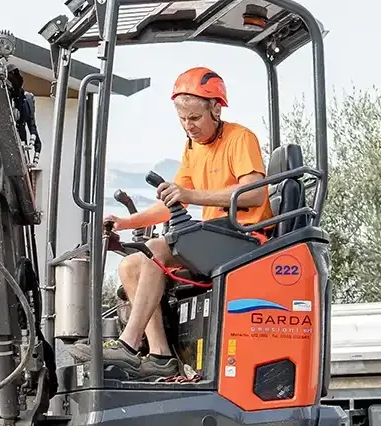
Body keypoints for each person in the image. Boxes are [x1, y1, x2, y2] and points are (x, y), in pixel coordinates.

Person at [100, 67, 271, 379]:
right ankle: (161, 355)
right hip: (215, 239)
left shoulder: (240, 138)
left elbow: (254, 194)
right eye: (182, 119)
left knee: (155, 250)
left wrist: (190, 194)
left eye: (194, 118)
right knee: (130, 266)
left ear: (216, 109)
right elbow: (172, 204)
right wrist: (124, 222)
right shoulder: (194, 147)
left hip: (244, 239)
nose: (188, 126)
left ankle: (128, 343)